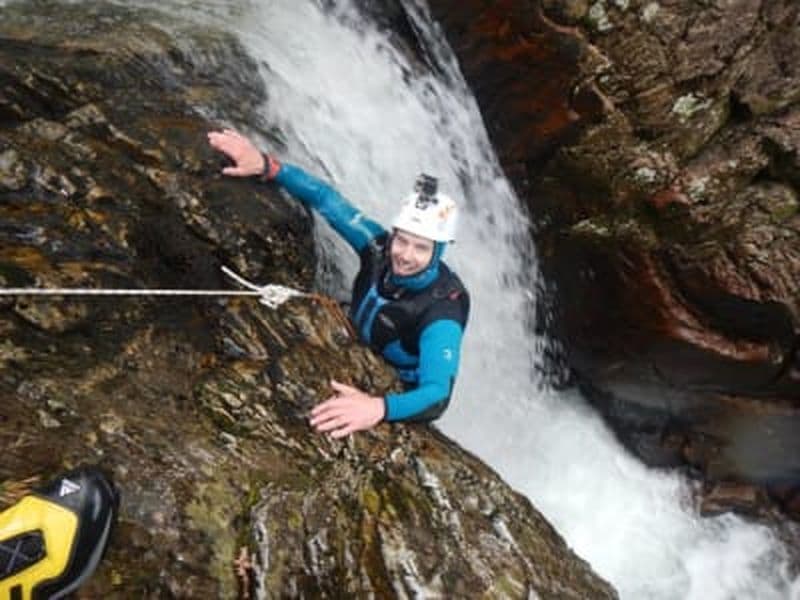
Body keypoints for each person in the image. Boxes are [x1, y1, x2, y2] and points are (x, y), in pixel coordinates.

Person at [208, 129, 470, 438]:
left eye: (421, 248)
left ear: (438, 251)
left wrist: (378, 408)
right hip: (355, 338)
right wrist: (267, 165)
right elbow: (326, 199)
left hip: (396, 386)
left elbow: (438, 394)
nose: (405, 255)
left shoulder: (442, 310)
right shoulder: (378, 248)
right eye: (402, 241)